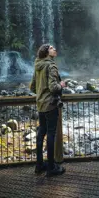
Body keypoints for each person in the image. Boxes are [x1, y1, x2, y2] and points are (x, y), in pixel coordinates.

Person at [29, 43, 66, 177]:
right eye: (51, 48)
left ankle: (39, 165)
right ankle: (51, 167)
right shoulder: (51, 65)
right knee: (51, 134)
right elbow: (53, 87)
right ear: (46, 52)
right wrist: (61, 85)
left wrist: (41, 93)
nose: (54, 49)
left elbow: (32, 87)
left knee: (41, 133)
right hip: (50, 105)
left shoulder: (38, 65)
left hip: (40, 105)